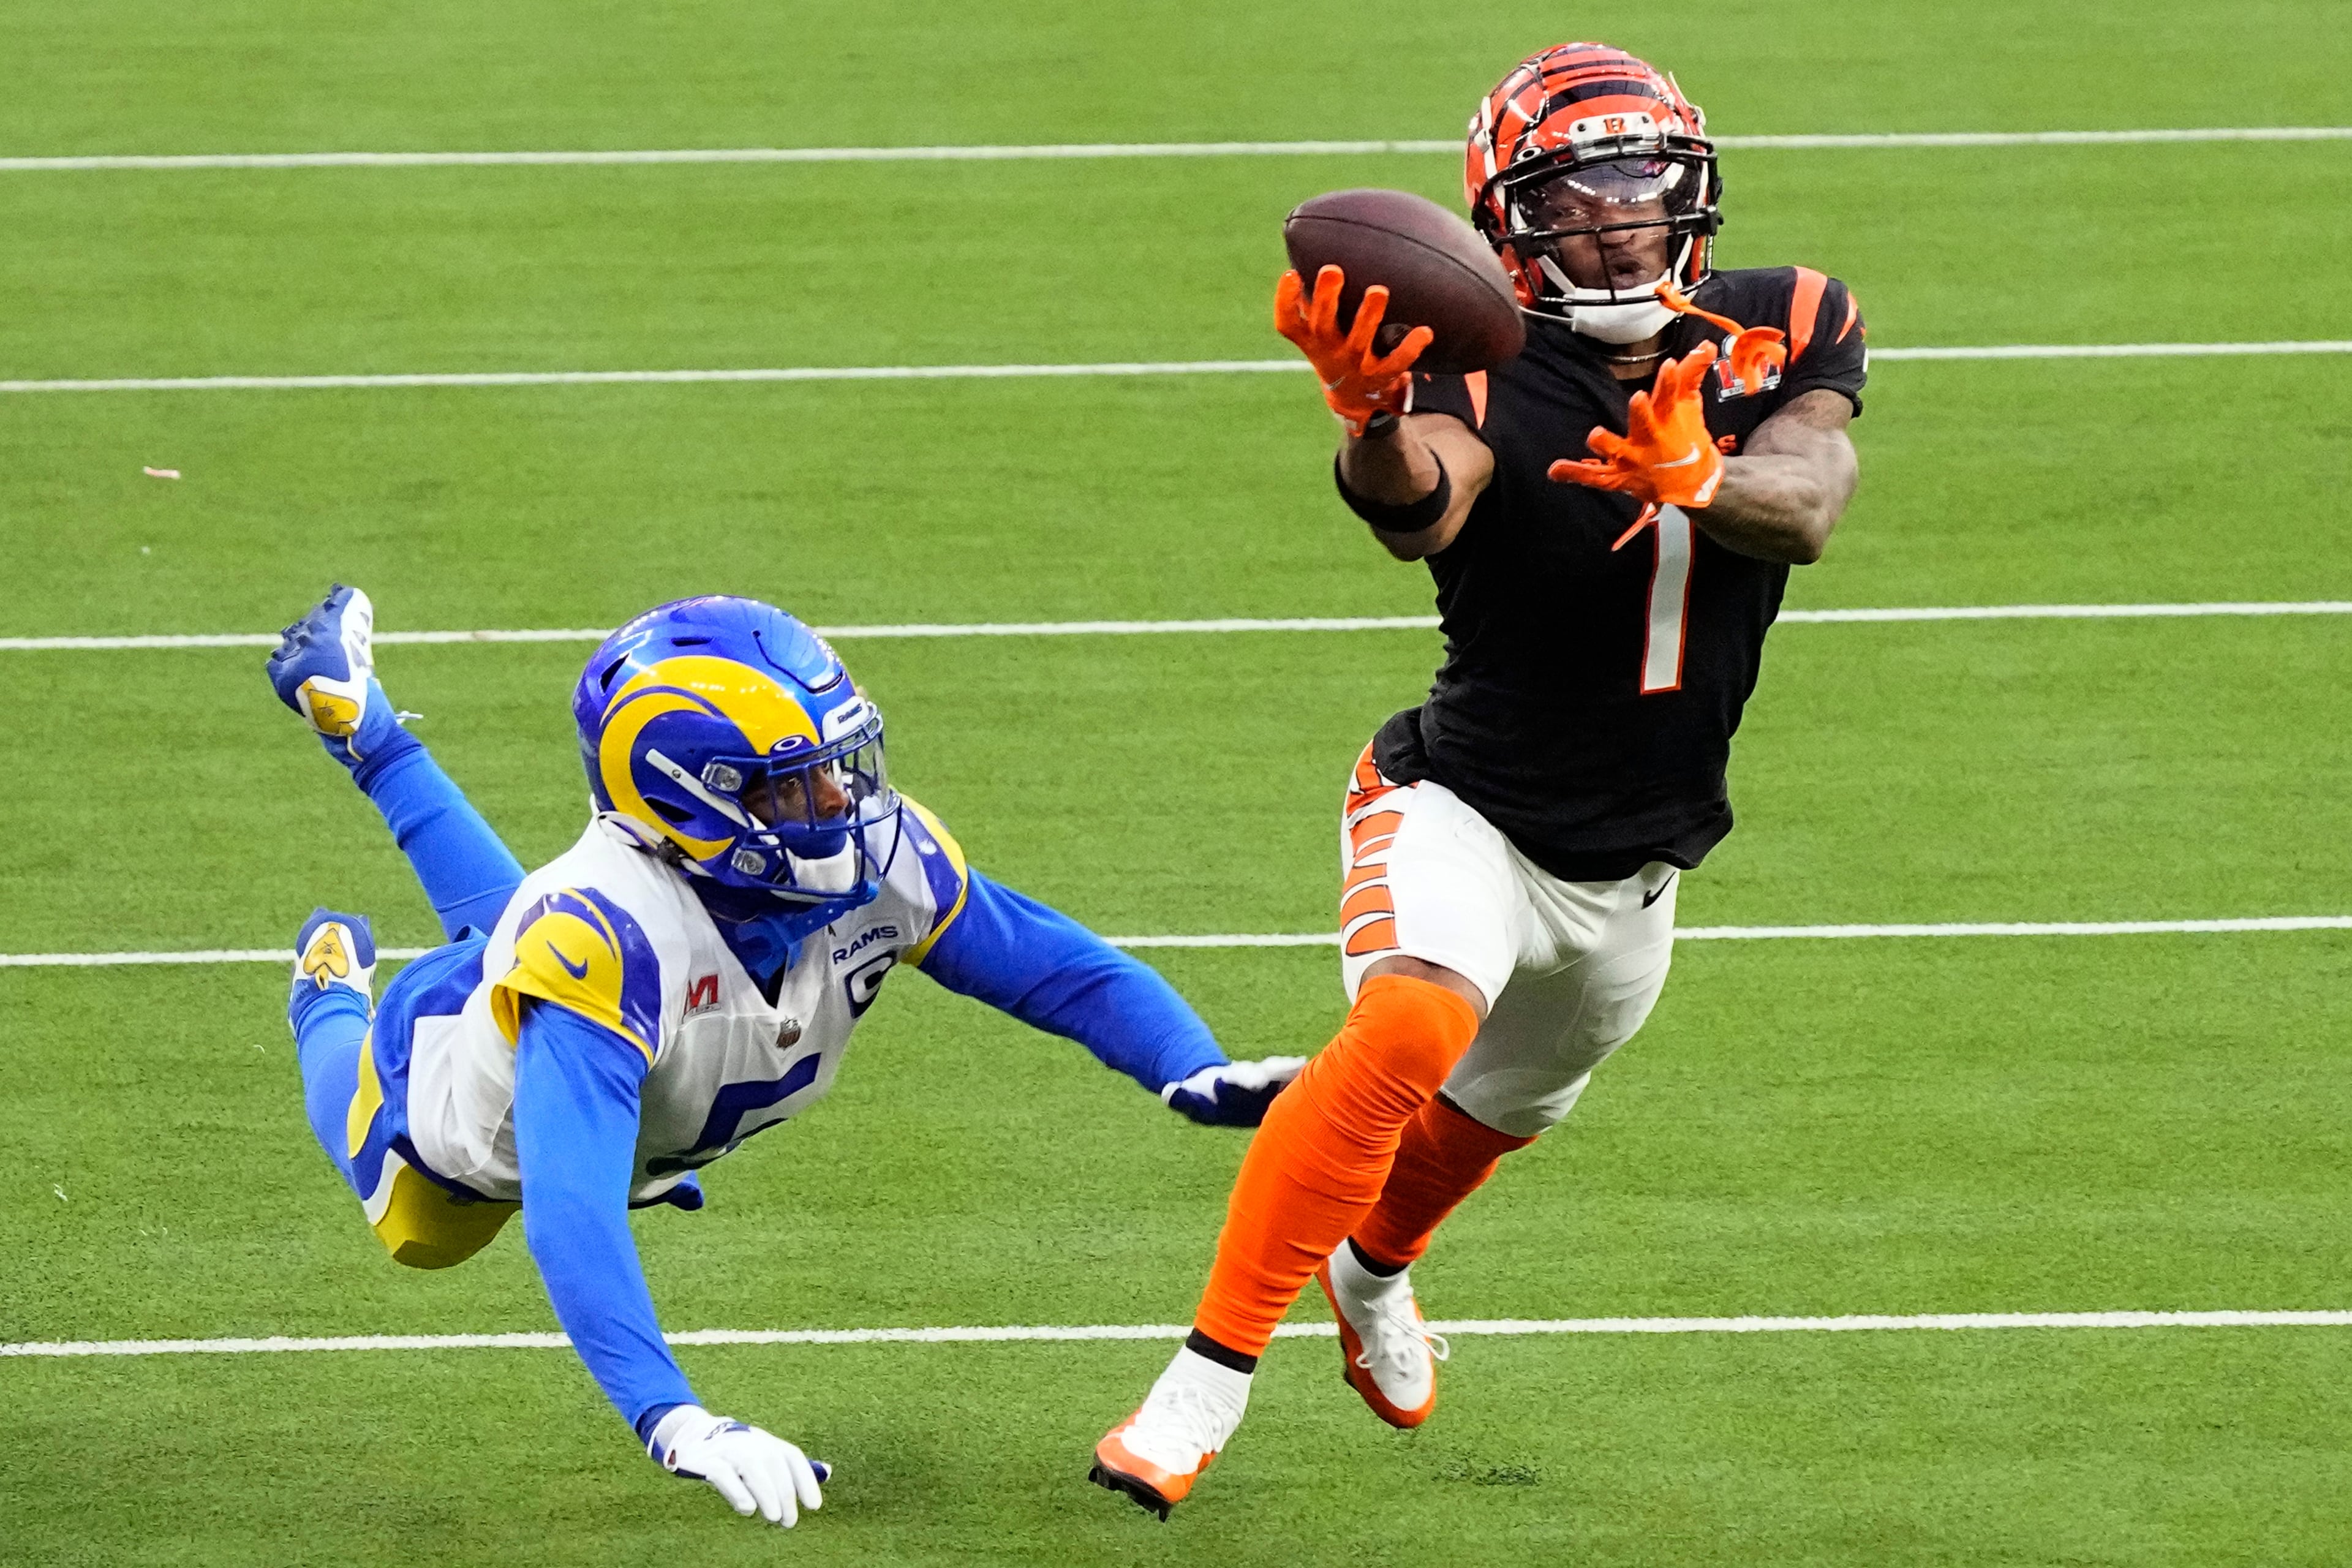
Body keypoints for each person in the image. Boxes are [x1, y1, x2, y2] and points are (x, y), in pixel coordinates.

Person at [1091, 42, 1866, 1516]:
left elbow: (1812, 502)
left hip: (1640, 863)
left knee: (1488, 1120)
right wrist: (1373, 426)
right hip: (1463, 806)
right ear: (1514, 221)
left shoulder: (1788, 320)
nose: (1618, 219)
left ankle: (1371, 1269)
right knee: (1406, 1030)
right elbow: (1421, 506)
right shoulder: (1479, 352)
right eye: (1576, 196)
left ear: (1689, 185)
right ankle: (1200, 1381)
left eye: (1641, 184)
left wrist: (1701, 474)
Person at [270, 586, 1301, 1528]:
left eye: (838, 770)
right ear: (693, 799)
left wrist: (1187, 1064)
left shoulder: (865, 862)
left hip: (625, 1022)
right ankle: (325, 990)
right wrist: (675, 1418)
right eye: (797, 787)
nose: (843, 805)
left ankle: (364, 725)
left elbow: (1045, 963)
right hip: (458, 1109)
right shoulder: (603, 945)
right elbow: (566, 1206)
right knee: (415, 1212)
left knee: (540, 938)